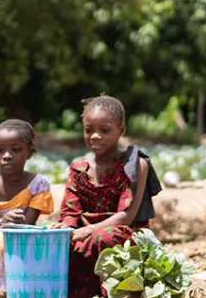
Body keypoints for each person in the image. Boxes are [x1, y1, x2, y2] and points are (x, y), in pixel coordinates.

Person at [52, 94, 163, 298]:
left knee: (106, 237)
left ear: (121, 131)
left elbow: (126, 217)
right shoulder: (78, 170)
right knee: (54, 243)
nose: (95, 136)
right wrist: (65, 229)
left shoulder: (135, 165)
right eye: (88, 130)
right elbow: (70, 212)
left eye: (104, 130)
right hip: (84, 237)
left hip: (123, 239)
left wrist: (87, 230)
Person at [0, 119, 55, 298]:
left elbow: (28, 227)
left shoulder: (37, 185)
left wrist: (12, 225)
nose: (6, 155)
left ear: (30, 153)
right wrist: (3, 222)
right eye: (0, 150)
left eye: (15, 149)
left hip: (22, 246)